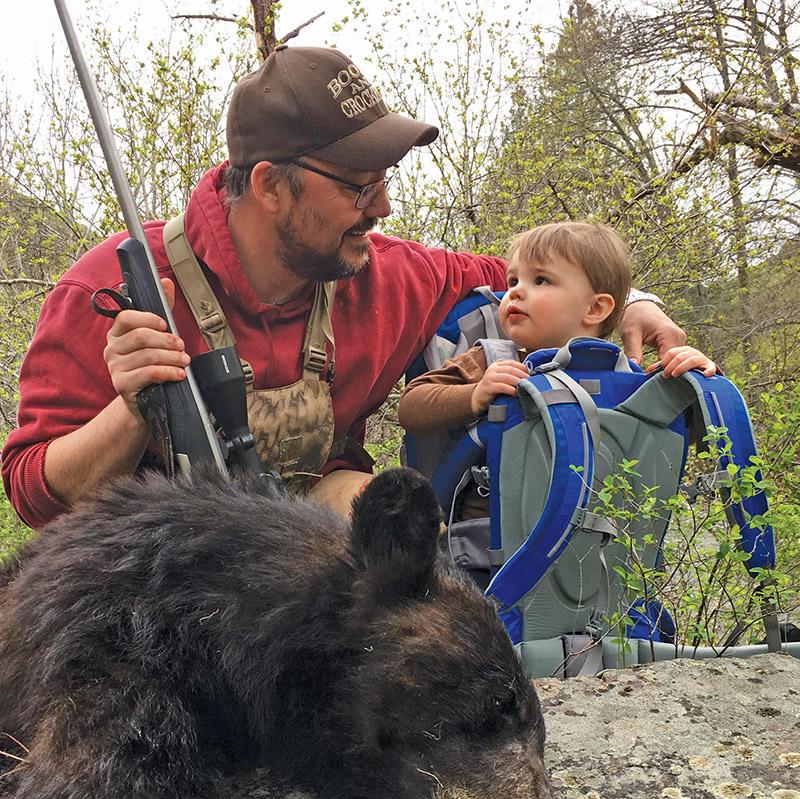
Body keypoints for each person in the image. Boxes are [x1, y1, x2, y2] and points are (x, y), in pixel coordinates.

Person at [1, 46, 686, 529]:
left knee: (403, 524)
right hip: (165, 582)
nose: (383, 207)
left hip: (316, 558)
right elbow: (35, 493)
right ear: (270, 185)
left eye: (387, 179)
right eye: (361, 184)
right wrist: (133, 407)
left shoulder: (383, 273)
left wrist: (637, 304)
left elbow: (537, 282)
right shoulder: (112, 287)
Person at [397, 220, 717, 521]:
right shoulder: (492, 361)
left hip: (593, 545)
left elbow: (701, 434)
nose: (515, 292)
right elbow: (411, 408)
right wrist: (476, 395)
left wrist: (698, 376)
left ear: (595, 308)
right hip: (488, 549)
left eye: (541, 280)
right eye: (513, 281)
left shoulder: (626, 377)